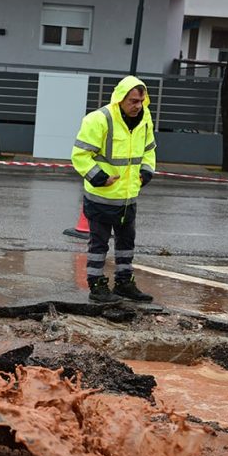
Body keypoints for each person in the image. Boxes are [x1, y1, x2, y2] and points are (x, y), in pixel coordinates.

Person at [71, 75, 156, 303]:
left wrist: (146, 172)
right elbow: (80, 155)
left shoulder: (144, 119)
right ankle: (96, 286)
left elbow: (149, 149)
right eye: (133, 101)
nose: (138, 106)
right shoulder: (99, 119)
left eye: (141, 101)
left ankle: (124, 283)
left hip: (128, 197)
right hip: (101, 197)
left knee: (126, 243)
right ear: (120, 99)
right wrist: (99, 177)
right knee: (99, 244)